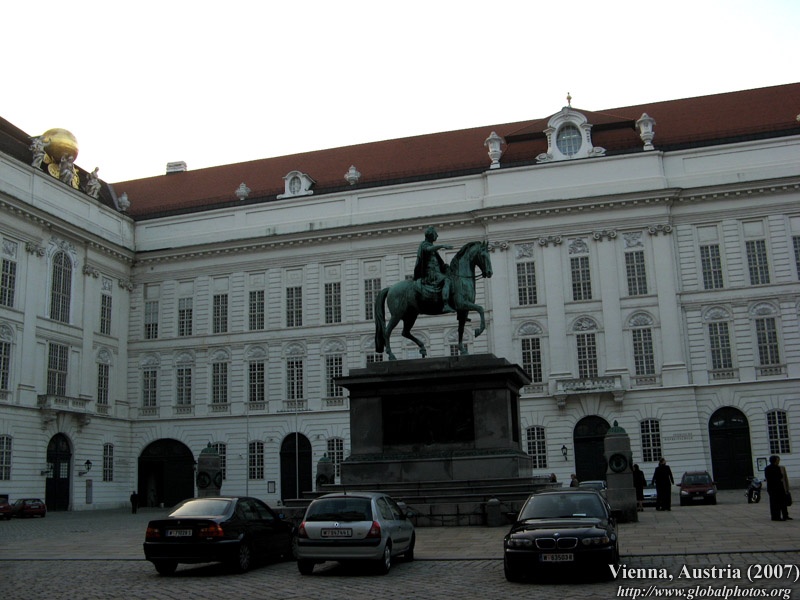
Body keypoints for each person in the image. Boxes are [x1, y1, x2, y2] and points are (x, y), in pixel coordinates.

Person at [413, 226, 455, 313]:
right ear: (431, 235)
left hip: (437, 272)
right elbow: (428, 249)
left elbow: (438, 262)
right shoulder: (424, 244)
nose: (437, 236)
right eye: (436, 234)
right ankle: (446, 304)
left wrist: (445, 267)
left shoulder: (432, 247)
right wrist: (442, 246)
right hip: (430, 273)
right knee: (447, 280)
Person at [764, 455, 791, 521]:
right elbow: (780, 476)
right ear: (775, 461)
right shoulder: (777, 468)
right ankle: (777, 517)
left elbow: (768, 477)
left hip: (772, 488)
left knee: (775, 503)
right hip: (777, 488)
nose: (778, 461)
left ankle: (776, 516)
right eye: (777, 460)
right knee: (778, 503)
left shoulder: (767, 468)